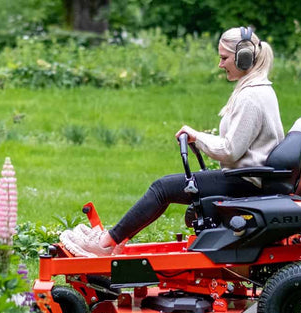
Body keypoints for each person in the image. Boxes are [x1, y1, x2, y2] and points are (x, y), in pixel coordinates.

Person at [60, 26, 284, 257]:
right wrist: (199, 137)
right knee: (164, 188)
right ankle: (114, 241)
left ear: (243, 58)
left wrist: (197, 136)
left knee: (162, 188)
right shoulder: (257, 89)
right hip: (250, 177)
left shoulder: (251, 96)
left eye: (224, 58)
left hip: (246, 182)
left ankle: (105, 244)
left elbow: (230, 150)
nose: (220, 64)